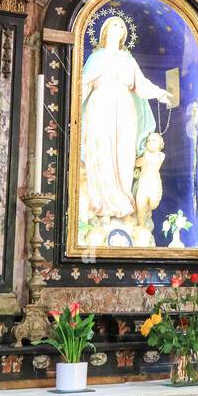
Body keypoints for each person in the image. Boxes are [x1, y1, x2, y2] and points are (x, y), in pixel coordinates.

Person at [80, 16, 171, 235]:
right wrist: (72, 108)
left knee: (123, 156)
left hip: (125, 112)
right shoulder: (96, 58)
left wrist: (160, 93)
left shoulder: (128, 60)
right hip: (100, 108)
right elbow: (83, 84)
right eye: (114, 25)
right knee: (100, 155)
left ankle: (122, 203)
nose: (118, 28)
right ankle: (101, 208)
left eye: (122, 25)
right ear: (105, 31)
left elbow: (141, 84)